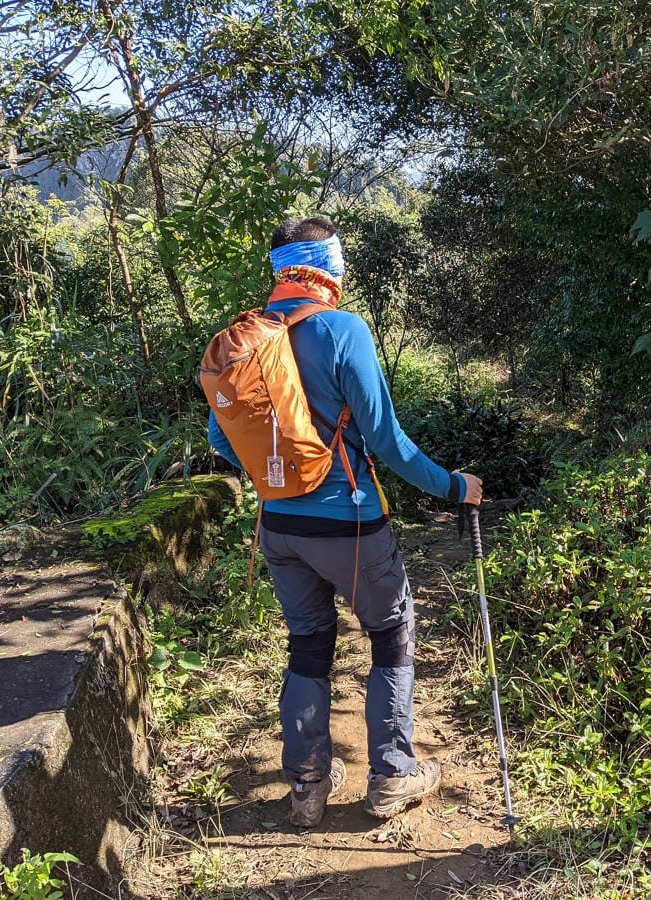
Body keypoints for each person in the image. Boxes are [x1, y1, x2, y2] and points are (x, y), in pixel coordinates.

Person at [207, 215, 484, 828]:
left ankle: (306, 787)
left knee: (307, 647)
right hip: (350, 526)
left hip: (279, 528)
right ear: (328, 268)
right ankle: (391, 776)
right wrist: (454, 485)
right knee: (391, 633)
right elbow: (386, 440)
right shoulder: (342, 330)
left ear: (280, 269)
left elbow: (221, 439)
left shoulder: (246, 340)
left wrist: (279, 478)